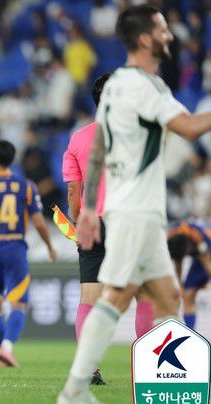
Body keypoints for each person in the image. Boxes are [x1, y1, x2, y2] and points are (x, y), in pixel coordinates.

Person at [57, 5, 211, 404]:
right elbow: (188, 128)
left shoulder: (120, 86)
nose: (170, 35)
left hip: (136, 211)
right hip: (134, 213)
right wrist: (90, 209)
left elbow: (99, 149)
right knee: (118, 297)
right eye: (162, 29)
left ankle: (186, 388)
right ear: (145, 38)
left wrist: (89, 209)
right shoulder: (142, 86)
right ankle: (75, 388)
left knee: (167, 297)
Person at [61, 72, 155, 386]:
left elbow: (73, 190)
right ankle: (147, 367)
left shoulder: (78, 138)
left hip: (92, 221)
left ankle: (88, 369)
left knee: (90, 296)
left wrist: (79, 220)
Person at [0, 139, 56, 368]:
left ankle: (2, 352)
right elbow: (39, 222)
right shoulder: (25, 185)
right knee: (19, 304)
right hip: (15, 247)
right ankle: (6, 348)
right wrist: (49, 246)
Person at [167, 218, 211, 330]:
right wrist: (180, 286)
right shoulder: (171, 237)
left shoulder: (198, 239)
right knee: (187, 295)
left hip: (208, 251)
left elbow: (207, 264)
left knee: (188, 295)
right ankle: (190, 332)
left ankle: (190, 332)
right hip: (200, 253)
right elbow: (178, 263)